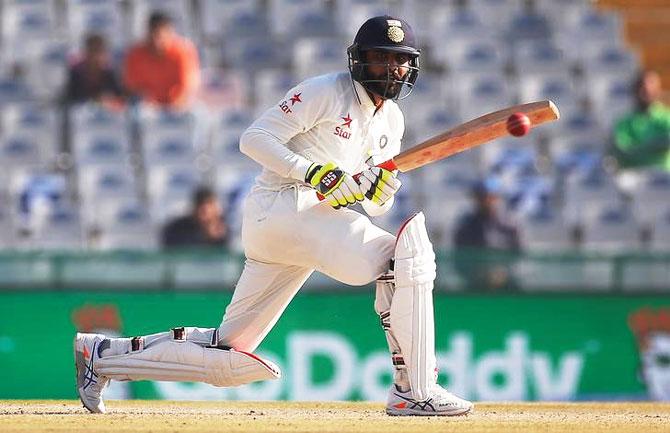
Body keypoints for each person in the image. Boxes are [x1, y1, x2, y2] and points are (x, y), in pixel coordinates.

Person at [74, 16, 473, 416]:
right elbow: (254, 137)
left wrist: (379, 195)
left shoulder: (392, 121)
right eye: (380, 58)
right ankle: (414, 388)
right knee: (404, 256)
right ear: (359, 60)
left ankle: (102, 356)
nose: (391, 69)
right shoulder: (326, 91)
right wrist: (314, 172)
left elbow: (369, 201)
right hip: (282, 206)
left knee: (228, 354)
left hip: (301, 225)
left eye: (399, 60)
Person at [453, 179, 521, 291]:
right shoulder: (465, 226)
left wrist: (503, 272)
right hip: (475, 286)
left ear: (497, 197)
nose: (486, 201)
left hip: (507, 285)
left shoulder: (510, 225)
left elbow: (520, 255)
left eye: (489, 196)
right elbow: (458, 258)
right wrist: (475, 274)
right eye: (481, 197)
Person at [123, 11, 200, 108]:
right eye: (153, 34)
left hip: (177, 108)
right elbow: (132, 88)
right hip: (148, 110)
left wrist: (175, 103)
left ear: (170, 32)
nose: (156, 41)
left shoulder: (183, 52)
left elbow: (187, 87)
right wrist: (148, 103)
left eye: (160, 35)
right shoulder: (135, 54)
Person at [612, 70, 670, 172]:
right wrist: (653, 145)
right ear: (634, 90)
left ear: (658, 90)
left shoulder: (666, 117)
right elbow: (624, 150)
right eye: (642, 87)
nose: (646, 90)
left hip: (663, 178)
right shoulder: (624, 122)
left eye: (651, 87)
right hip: (635, 179)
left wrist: (640, 147)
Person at [63, 33, 125, 108]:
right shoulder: (76, 73)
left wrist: (108, 100)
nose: (95, 56)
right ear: (85, 53)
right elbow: (70, 100)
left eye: (99, 51)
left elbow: (121, 100)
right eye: (92, 51)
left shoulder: (110, 74)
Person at [161, 186, 229, 249]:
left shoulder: (224, 230)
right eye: (201, 207)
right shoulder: (178, 228)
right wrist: (204, 236)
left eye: (209, 206)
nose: (205, 211)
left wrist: (217, 238)